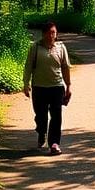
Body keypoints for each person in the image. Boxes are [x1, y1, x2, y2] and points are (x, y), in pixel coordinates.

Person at [23, 21, 72, 155]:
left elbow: (65, 67)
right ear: (43, 34)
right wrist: (26, 84)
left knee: (56, 115)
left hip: (57, 86)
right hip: (39, 87)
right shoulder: (35, 47)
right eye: (49, 32)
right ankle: (41, 131)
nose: (51, 35)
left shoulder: (61, 47)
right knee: (41, 116)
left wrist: (68, 86)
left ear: (56, 34)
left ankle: (54, 143)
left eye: (53, 33)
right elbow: (28, 66)